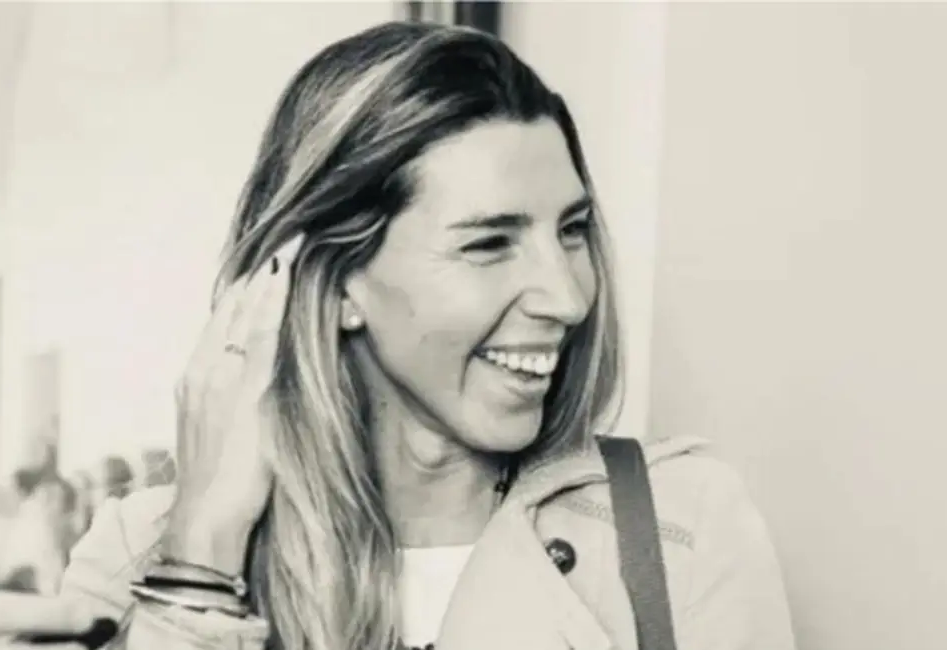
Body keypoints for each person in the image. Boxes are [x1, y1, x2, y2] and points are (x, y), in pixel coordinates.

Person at [61, 21, 795, 650]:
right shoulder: (139, 549)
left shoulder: (680, 529)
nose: (569, 298)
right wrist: (199, 562)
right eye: (489, 243)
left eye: (571, 231)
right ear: (335, 280)